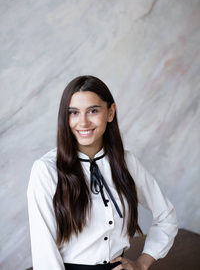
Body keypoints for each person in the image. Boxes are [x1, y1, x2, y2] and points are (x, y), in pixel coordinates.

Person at [27, 75, 178, 270]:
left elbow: (166, 216)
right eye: (73, 112)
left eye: (92, 111)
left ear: (110, 112)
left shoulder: (127, 162)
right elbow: (44, 253)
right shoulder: (46, 170)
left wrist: (142, 263)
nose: (83, 122)